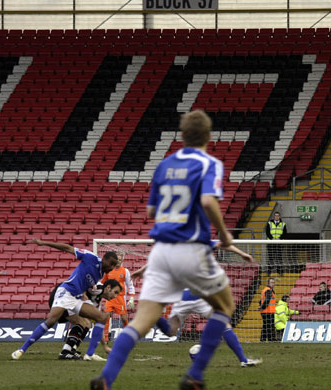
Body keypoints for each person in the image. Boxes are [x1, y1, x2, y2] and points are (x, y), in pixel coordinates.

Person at [90, 110, 236, 390]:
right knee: (224, 306)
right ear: (208, 135)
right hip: (191, 248)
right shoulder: (209, 163)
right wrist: (225, 234)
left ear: (182, 135)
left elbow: (151, 210)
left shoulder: (165, 165)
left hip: (160, 250)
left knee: (142, 321)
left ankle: (106, 378)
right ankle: (195, 376)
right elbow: (207, 200)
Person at [130, 243, 261, 366]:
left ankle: (155, 316)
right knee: (224, 324)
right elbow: (223, 244)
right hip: (200, 296)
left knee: (171, 332)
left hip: (184, 297)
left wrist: (142, 270)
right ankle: (243, 360)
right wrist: (242, 253)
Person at [12, 240, 118, 360]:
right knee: (51, 321)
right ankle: (22, 349)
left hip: (77, 298)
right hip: (66, 292)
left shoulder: (100, 275)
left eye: (114, 265)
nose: (112, 267)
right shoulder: (91, 257)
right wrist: (44, 243)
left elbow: (84, 285)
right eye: (111, 263)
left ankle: (89, 354)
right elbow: (68, 248)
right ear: (104, 259)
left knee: (101, 317)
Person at [51, 279, 121, 361]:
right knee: (82, 322)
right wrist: (83, 294)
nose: (115, 296)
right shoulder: (98, 288)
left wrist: (105, 346)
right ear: (108, 288)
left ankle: (72, 350)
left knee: (87, 324)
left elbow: (98, 326)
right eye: (115, 292)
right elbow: (82, 282)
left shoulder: (97, 301)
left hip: (67, 301)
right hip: (61, 297)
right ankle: (65, 352)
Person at [102, 253, 136, 343]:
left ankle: (128, 336)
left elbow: (130, 285)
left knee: (124, 318)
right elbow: (103, 282)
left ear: (122, 261)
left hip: (120, 297)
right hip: (109, 297)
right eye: (118, 259)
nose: (119, 261)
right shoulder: (109, 270)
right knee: (106, 316)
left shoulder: (125, 271)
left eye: (121, 260)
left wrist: (132, 297)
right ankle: (106, 338)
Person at [260, 278, 277, 342]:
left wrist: (261, 306)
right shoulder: (268, 290)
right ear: (268, 283)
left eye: (274, 282)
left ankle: (263, 339)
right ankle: (270, 339)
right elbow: (267, 300)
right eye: (272, 282)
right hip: (268, 311)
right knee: (269, 326)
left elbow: (261, 300)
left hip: (268, 311)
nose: (273, 284)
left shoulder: (267, 290)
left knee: (266, 326)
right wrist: (263, 307)